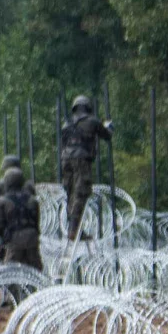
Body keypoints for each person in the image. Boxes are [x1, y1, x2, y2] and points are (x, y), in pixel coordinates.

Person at [58, 95, 112, 242]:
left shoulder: (66, 124)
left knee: (70, 193)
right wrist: (108, 126)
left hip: (65, 160)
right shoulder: (92, 122)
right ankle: (74, 230)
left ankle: (73, 228)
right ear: (88, 108)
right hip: (81, 160)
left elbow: (63, 143)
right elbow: (107, 135)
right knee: (81, 193)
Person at [0, 165, 45, 275]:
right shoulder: (32, 200)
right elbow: (36, 222)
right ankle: (35, 290)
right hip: (32, 238)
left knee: (10, 272)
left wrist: (4, 238)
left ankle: (15, 292)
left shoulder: (2, 201)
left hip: (14, 240)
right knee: (35, 271)